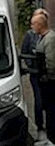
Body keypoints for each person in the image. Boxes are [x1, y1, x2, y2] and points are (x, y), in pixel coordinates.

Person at [34, 11, 55, 145]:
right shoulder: (43, 37)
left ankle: (52, 138)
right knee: (48, 109)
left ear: (40, 25)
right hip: (45, 80)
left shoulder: (50, 39)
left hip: (50, 83)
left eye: (33, 24)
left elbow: (51, 61)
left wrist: (47, 77)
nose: (31, 27)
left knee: (51, 110)